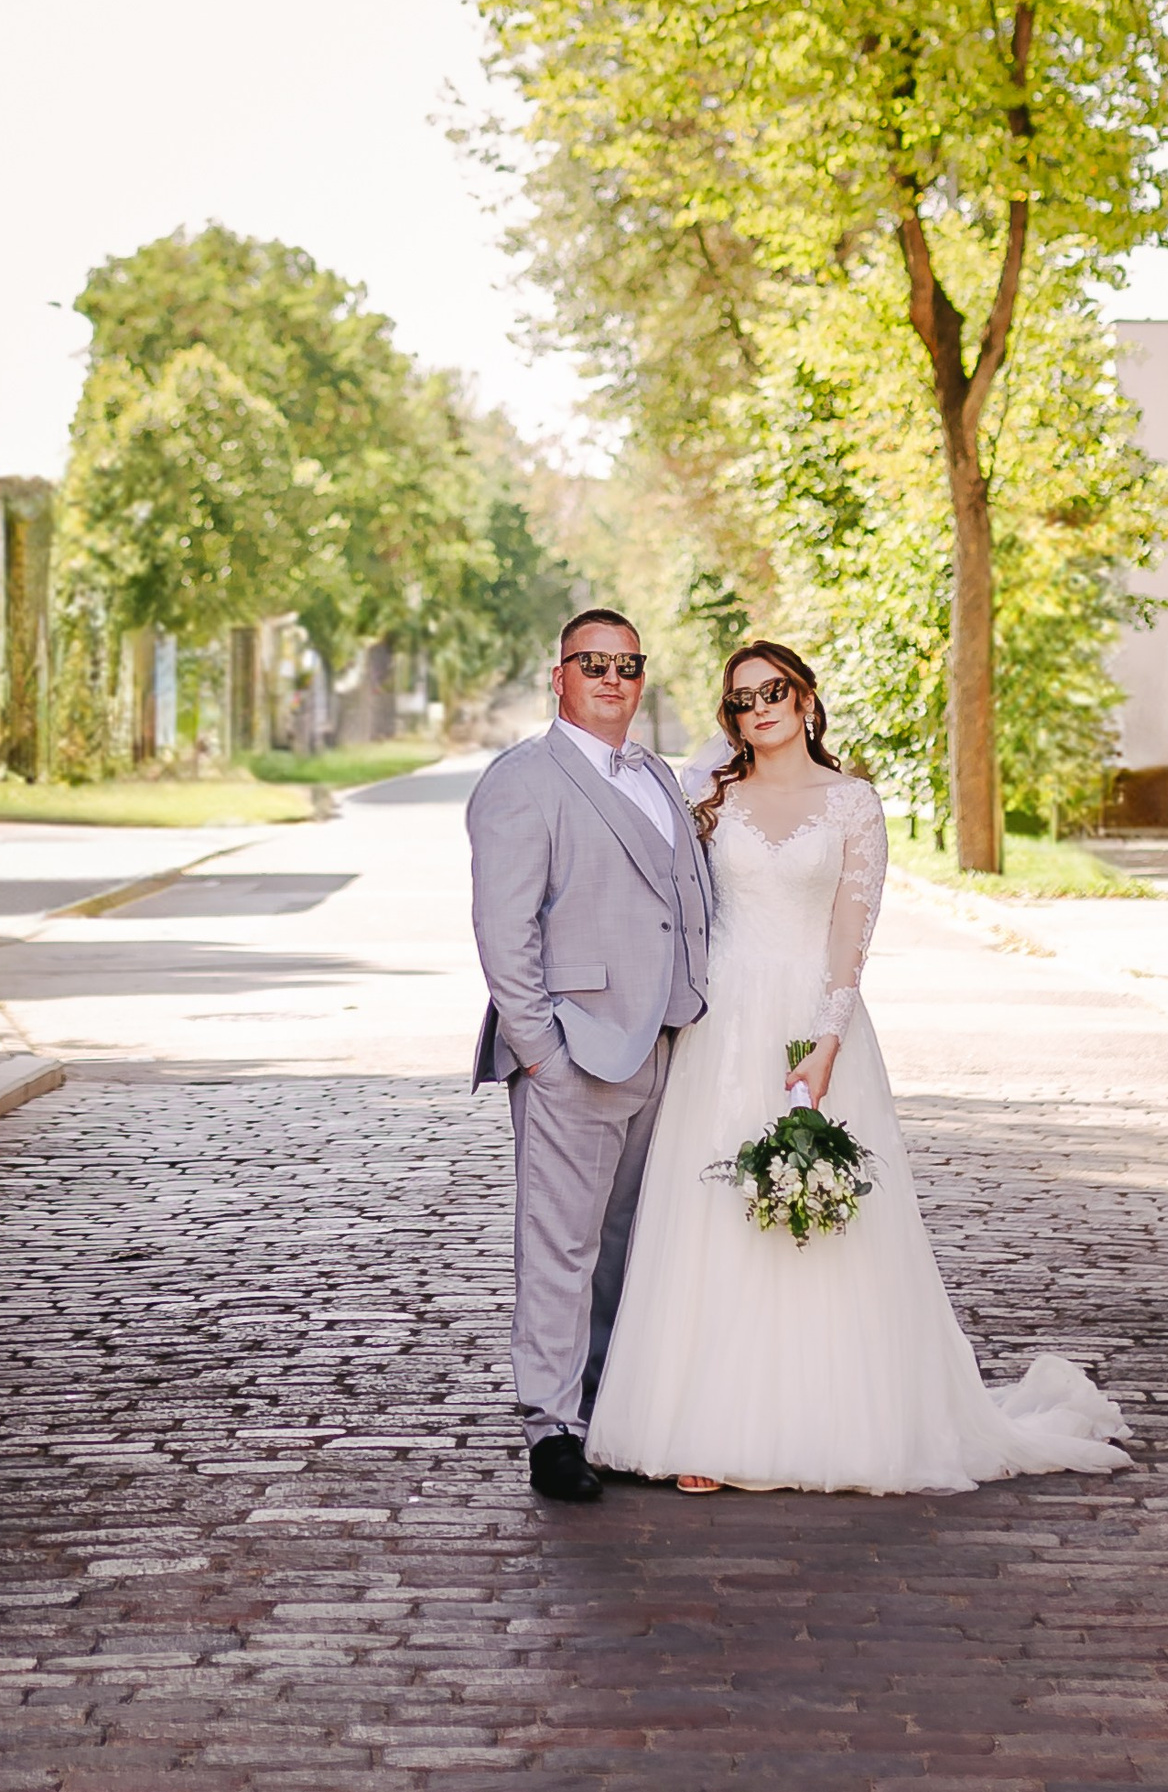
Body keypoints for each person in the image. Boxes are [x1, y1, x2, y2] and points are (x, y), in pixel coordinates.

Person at [584, 639, 1128, 1495]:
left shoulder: (852, 802)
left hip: (808, 1022)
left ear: (804, 698)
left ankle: (821, 1423)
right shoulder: (708, 798)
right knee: (711, 1213)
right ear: (728, 718)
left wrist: (824, 1041)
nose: (757, 707)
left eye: (774, 690)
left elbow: (851, 934)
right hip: (719, 1027)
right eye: (740, 700)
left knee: (811, 1215)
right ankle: (705, 1424)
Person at [466, 606, 715, 1504]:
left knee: (628, 1244)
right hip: (573, 1050)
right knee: (559, 1246)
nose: (614, 680)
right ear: (560, 674)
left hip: (665, 1042)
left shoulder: (655, 773)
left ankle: (608, 1410)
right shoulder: (521, 781)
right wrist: (541, 1053)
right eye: (594, 664)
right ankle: (552, 1430)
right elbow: (504, 932)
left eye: (628, 665)